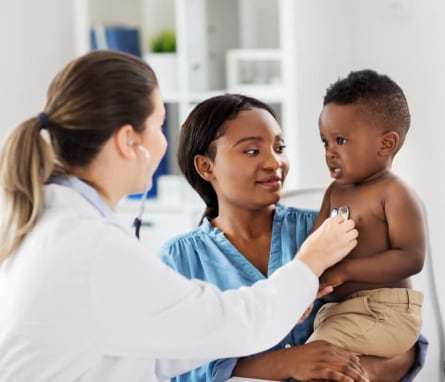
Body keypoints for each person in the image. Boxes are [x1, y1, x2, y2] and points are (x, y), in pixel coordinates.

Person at [0, 51, 360, 382]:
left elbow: (158, 350)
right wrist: (308, 264)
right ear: (129, 141)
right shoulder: (91, 246)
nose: (163, 142)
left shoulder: (58, 229)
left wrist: (283, 304)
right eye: (159, 126)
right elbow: (232, 322)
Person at [158, 93, 427, 382]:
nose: (275, 162)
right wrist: (286, 364)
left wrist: (348, 373)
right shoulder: (179, 260)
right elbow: (174, 368)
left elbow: (398, 329)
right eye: (252, 151)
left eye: (279, 147)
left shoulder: (333, 231)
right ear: (206, 167)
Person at [306, 69, 426, 359]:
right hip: (339, 312)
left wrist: (346, 271)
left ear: (386, 144)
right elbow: (314, 247)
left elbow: (411, 258)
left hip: (386, 312)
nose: (330, 151)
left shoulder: (394, 193)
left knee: (313, 357)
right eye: (325, 141)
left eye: (341, 141)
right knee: (314, 357)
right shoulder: (335, 192)